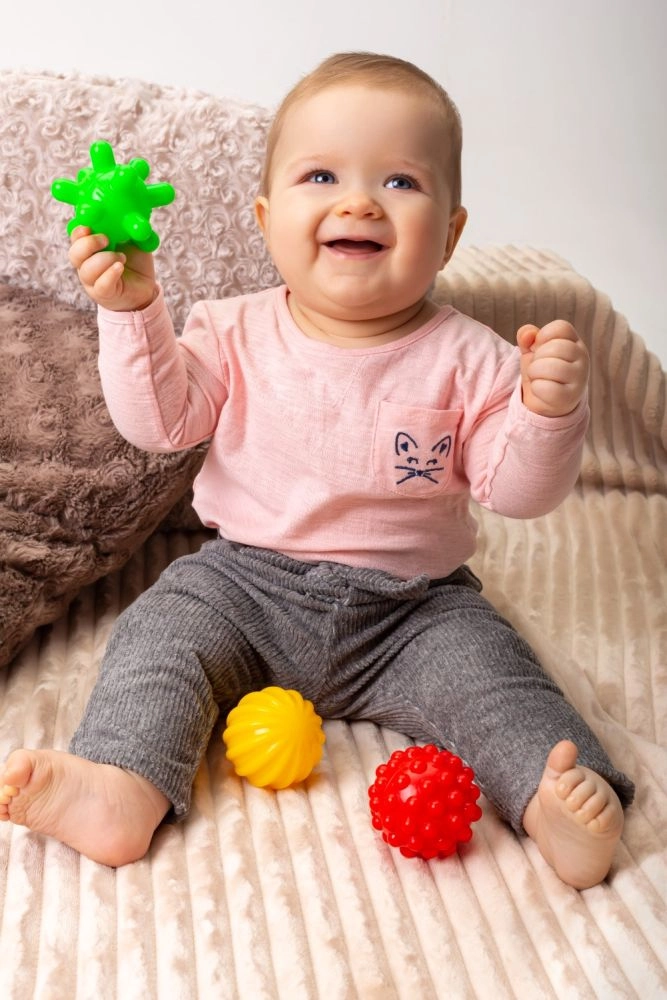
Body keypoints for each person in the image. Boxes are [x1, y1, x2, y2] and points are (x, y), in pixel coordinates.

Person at [0, 52, 633, 888]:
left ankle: (557, 807)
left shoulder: (471, 358)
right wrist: (131, 313)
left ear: (449, 234)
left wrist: (547, 414)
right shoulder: (230, 329)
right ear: (266, 221)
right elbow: (159, 424)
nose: (358, 201)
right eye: (321, 175)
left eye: (400, 181)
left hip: (412, 610)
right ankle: (123, 783)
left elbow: (515, 493)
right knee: (158, 637)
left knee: (498, 682)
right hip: (244, 585)